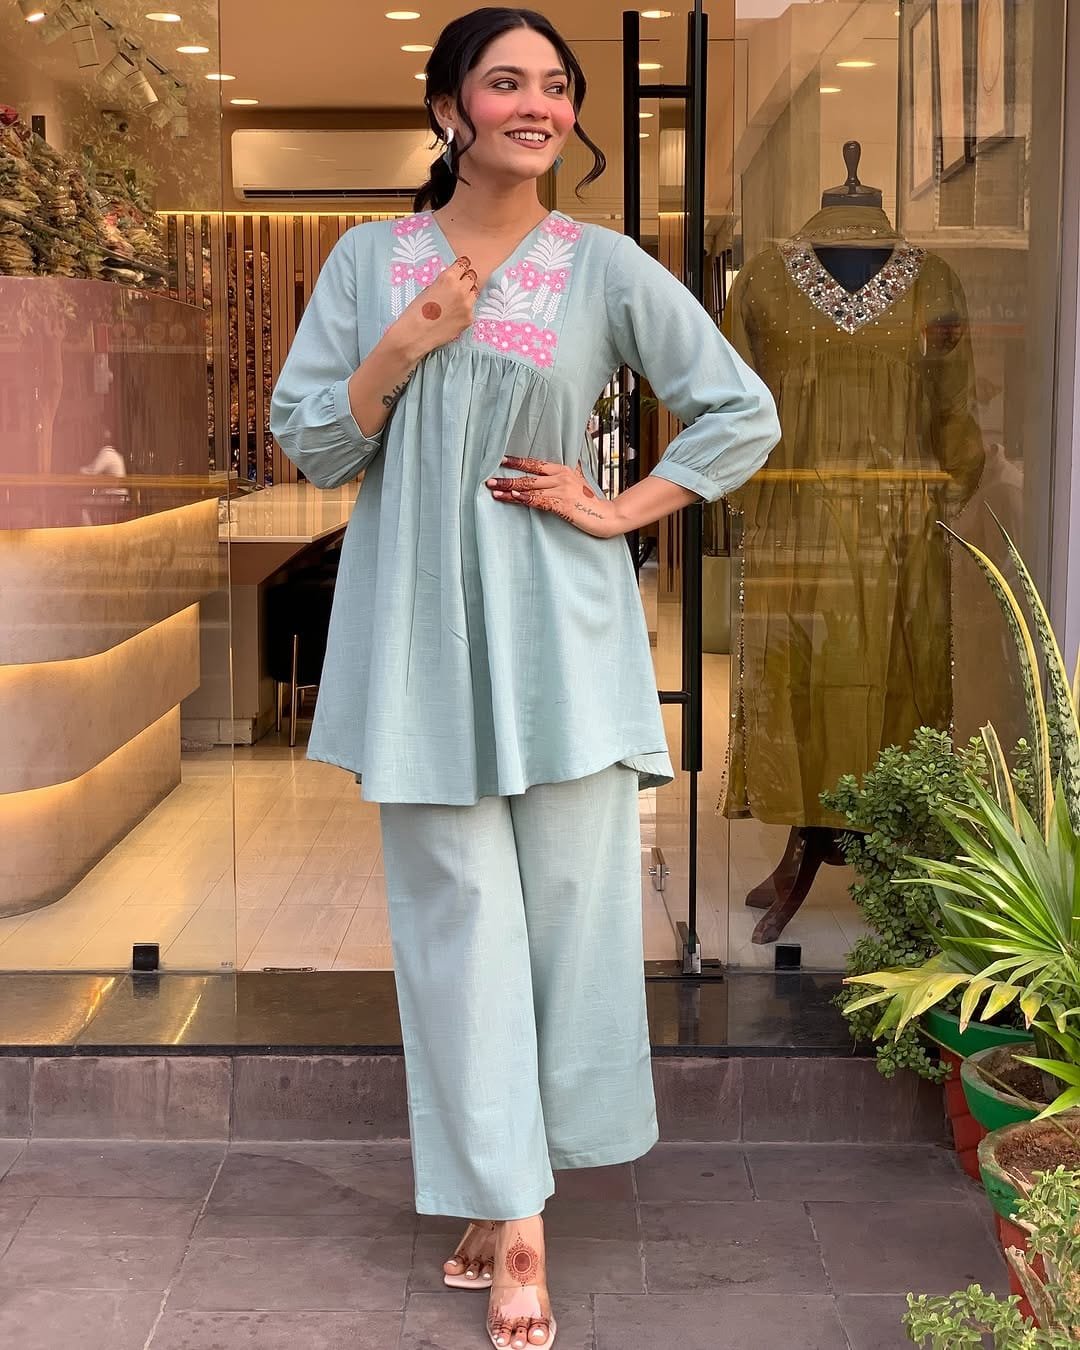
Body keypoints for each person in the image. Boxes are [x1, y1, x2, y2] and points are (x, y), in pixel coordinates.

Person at [270, 9, 780, 1347]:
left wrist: (622, 507)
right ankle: (517, 1217)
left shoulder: (603, 265)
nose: (538, 105)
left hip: (565, 638)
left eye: (556, 85)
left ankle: (510, 1194)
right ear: (450, 109)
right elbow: (313, 443)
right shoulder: (368, 263)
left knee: (569, 923)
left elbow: (741, 409)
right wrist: (407, 340)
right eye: (507, 83)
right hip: (419, 648)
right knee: (459, 932)